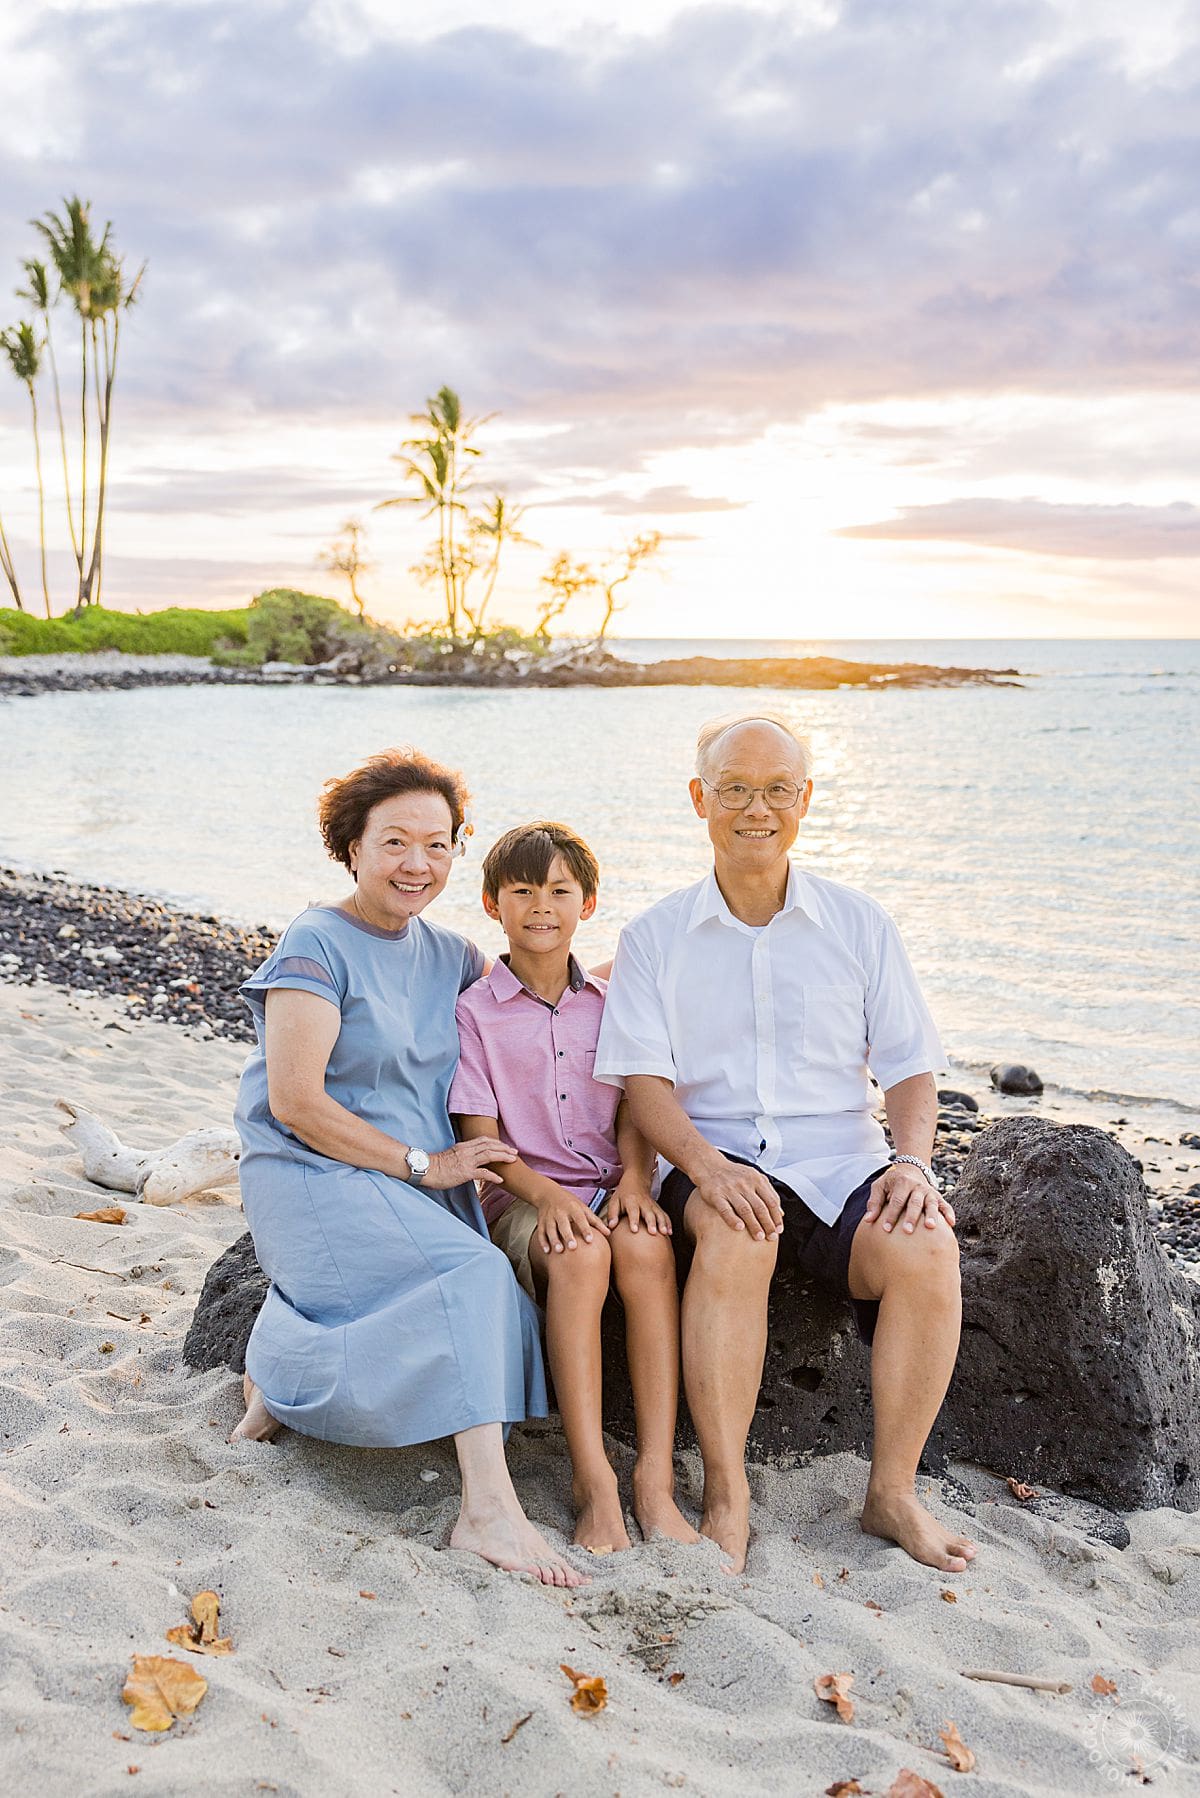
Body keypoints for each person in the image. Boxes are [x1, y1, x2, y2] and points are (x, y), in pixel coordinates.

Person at [595, 713, 976, 1577]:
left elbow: (913, 1070)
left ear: (805, 800)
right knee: (735, 1231)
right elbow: (643, 1084)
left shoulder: (859, 923)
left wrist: (913, 1162)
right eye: (734, 788)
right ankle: (727, 1492)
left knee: (925, 1248)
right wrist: (700, 1167)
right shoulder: (654, 937)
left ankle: (892, 1493)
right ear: (700, 799)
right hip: (717, 1154)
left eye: (775, 789)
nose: (754, 807)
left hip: (844, 1160)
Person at [229, 748, 584, 1588]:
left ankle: (279, 1374)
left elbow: (535, 996)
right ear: (351, 848)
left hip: (408, 1180)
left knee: (474, 1278)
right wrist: (424, 1164)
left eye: (437, 844)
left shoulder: (454, 954)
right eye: (394, 842)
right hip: (314, 1173)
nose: (417, 863)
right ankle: (487, 1513)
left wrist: (644, 991)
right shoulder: (317, 940)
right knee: (473, 1273)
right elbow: (295, 1103)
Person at [450, 822, 698, 1553]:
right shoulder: (474, 1011)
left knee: (648, 1249)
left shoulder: (610, 1000)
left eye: (560, 890)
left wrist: (634, 1178)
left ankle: (653, 1476)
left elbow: (633, 1102)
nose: (541, 907)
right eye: (522, 891)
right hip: (522, 1197)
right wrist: (547, 1197)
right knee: (582, 1257)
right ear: (493, 903)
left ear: (588, 904)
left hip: (607, 1184)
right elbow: (479, 1141)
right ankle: (592, 1478)